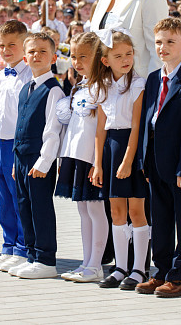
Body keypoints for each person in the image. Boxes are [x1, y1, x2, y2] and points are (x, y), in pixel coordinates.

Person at [133, 18, 181, 297]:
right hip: (155, 163)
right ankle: (160, 271)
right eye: (159, 42)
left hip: (179, 166)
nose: (163, 47)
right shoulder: (152, 79)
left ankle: (180, 274)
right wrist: (143, 161)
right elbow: (148, 122)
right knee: (159, 219)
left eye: (170, 42)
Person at [88, 29, 148, 290]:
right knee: (116, 211)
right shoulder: (102, 87)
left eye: (129, 54)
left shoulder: (138, 85)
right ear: (105, 61)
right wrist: (98, 162)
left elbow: (136, 126)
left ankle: (139, 268)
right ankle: (121, 267)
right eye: (118, 55)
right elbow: (100, 129)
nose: (125, 59)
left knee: (136, 210)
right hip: (111, 148)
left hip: (130, 150)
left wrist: (127, 160)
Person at [6, 32, 63, 279]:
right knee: (24, 207)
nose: (36, 55)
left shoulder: (53, 90)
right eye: (31, 51)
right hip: (21, 158)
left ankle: (46, 258)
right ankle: (31, 255)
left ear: (53, 56)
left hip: (38, 160)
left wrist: (44, 162)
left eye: (42, 51)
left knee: (40, 208)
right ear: (25, 57)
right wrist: (15, 159)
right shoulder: (25, 88)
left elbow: (53, 130)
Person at [55, 32, 107, 283]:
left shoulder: (103, 86)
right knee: (83, 209)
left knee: (96, 210)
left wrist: (98, 162)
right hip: (74, 153)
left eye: (83, 56)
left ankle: (96, 264)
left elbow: (101, 128)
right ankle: (86, 261)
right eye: (74, 56)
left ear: (98, 56)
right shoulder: (80, 85)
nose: (76, 61)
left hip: (90, 157)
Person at [0, 20, 32, 272]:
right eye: (2, 45)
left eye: (12, 45)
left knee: (19, 198)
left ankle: (23, 248)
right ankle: (8, 245)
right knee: (3, 198)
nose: (5, 50)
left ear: (25, 45)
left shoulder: (29, 76)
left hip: (16, 143)